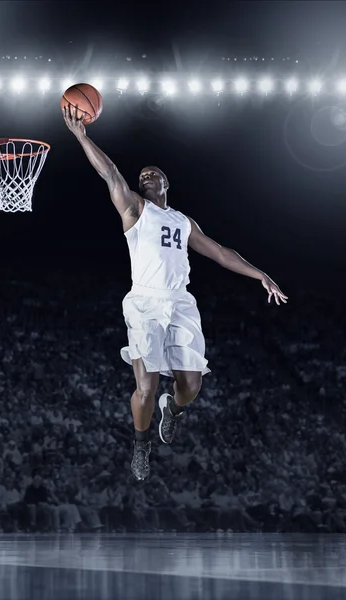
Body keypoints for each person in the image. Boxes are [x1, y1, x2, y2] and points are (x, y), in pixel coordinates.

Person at [63, 105, 288, 481]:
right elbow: (111, 174)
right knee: (145, 387)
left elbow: (218, 252)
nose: (146, 175)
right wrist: (83, 138)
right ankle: (141, 444)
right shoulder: (135, 209)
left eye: (154, 174)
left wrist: (259, 274)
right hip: (145, 302)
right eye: (143, 174)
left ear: (167, 184)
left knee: (192, 386)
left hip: (181, 302)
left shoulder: (184, 222)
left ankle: (176, 410)